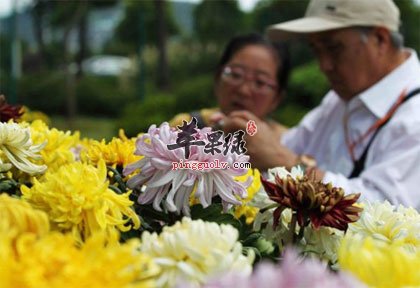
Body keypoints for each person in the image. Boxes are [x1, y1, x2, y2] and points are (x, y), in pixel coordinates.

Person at [222, 0, 420, 209]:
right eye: (316, 50)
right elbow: (286, 147)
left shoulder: (414, 117)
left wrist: (289, 165)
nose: (324, 65)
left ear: (380, 39)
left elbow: (386, 211)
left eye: (334, 49)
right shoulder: (339, 100)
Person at [170, 32, 291, 140]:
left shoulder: (288, 142)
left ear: (277, 98)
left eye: (260, 82)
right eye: (236, 75)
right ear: (217, 78)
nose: (244, 91)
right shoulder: (185, 127)